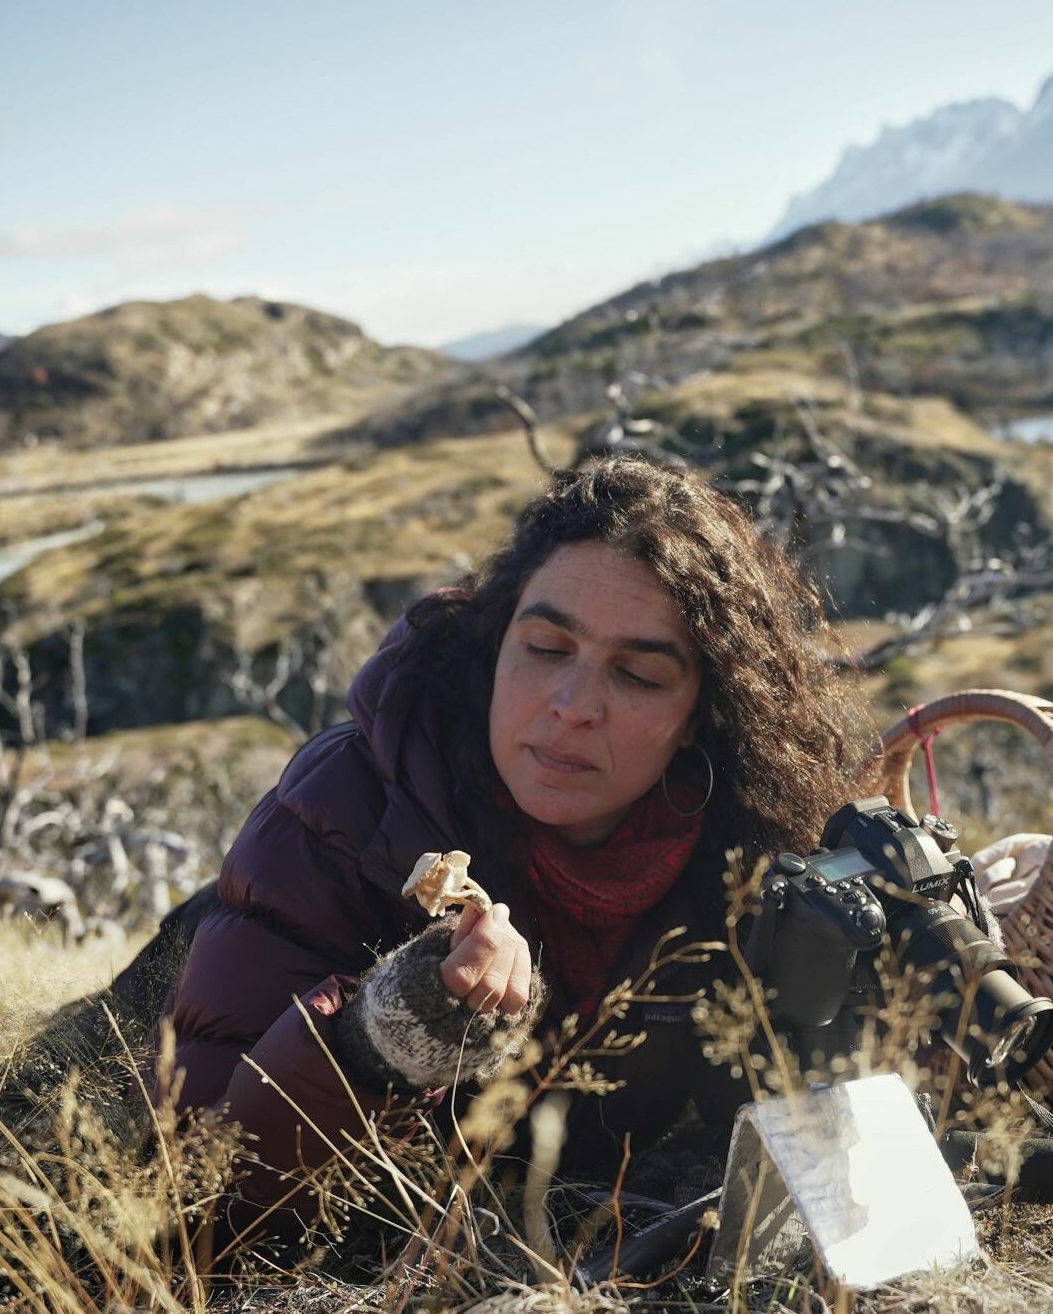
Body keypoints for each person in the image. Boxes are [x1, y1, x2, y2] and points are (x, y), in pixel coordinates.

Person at [150, 452, 870, 1233]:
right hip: (159, 1014)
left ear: (702, 711)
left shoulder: (746, 856)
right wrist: (384, 1037)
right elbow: (197, 1201)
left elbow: (801, 1137)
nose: (573, 706)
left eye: (638, 675)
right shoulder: (346, 813)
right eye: (547, 648)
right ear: (495, 646)